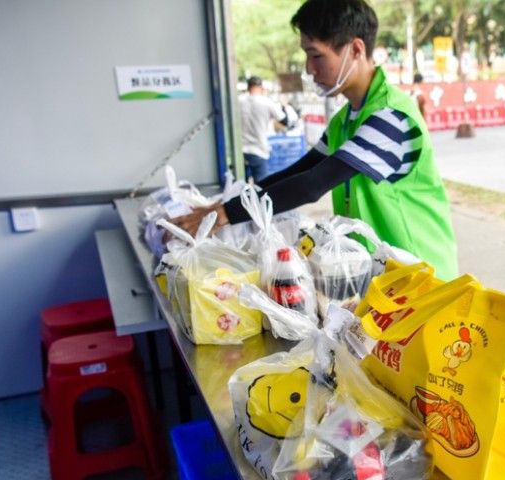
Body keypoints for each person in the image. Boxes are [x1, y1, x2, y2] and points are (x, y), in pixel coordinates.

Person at [169, 0, 458, 281]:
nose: (309, 68)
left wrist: (225, 214)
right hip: (380, 275)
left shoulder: (390, 117)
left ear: (356, 49)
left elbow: (311, 185)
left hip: (420, 278)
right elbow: (299, 171)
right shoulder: (344, 120)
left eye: (316, 56)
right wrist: (225, 205)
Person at [239, 75, 286, 182]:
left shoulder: (239, 101)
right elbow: (284, 120)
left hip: (240, 151)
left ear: (248, 87)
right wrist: (283, 106)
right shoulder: (267, 102)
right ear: (261, 88)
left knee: (240, 186)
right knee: (261, 186)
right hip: (259, 150)